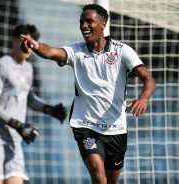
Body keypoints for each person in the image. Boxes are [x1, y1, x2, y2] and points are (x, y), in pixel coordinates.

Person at [20, 4, 156, 184]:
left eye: (89, 21)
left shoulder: (122, 50)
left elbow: (148, 79)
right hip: (85, 125)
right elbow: (51, 52)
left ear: (103, 24)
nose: (84, 26)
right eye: (81, 22)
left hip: (116, 127)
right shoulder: (76, 51)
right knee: (99, 177)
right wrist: (35, 45)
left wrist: (143, 98)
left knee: (110, 180)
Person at [0, 24, 68, 184]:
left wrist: (51, 110)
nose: (27, 45)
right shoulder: (1, 66)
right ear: (14, 41)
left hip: (15, 138)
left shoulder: (28, 69)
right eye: (23, 41)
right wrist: (17, 124)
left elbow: (30, 99)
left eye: (31, 42)